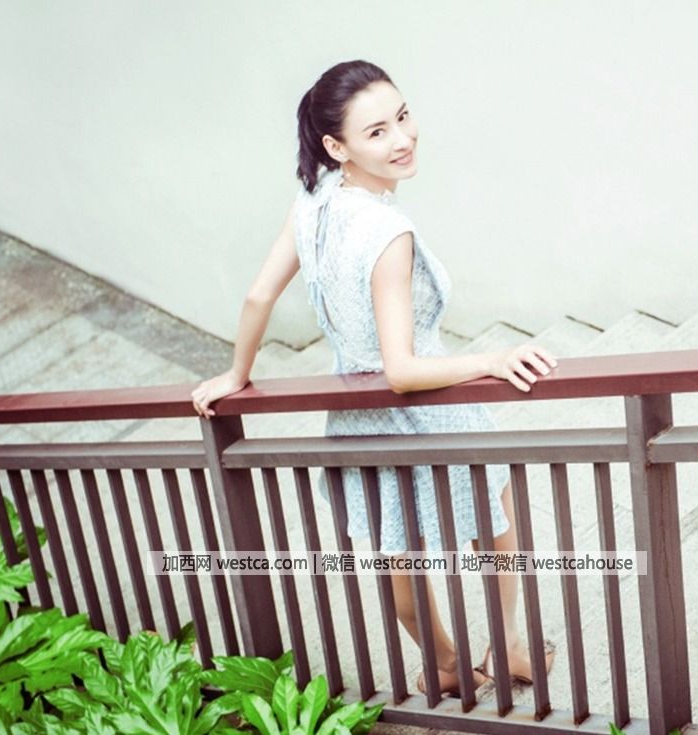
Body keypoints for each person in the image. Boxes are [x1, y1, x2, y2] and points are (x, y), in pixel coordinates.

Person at [191, 60, 557, 698]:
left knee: (400, 553)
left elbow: (257, 296)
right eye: (378, 132)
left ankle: (447, 667)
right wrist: (490, 360)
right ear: (337, 146)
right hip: (431, 410)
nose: (403, 139)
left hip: (359, 419)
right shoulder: (389, 232)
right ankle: (510, 651)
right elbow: (403, 369)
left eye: (403, 117)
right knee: (494, 527)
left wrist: (236, 373)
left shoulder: (313, 201)